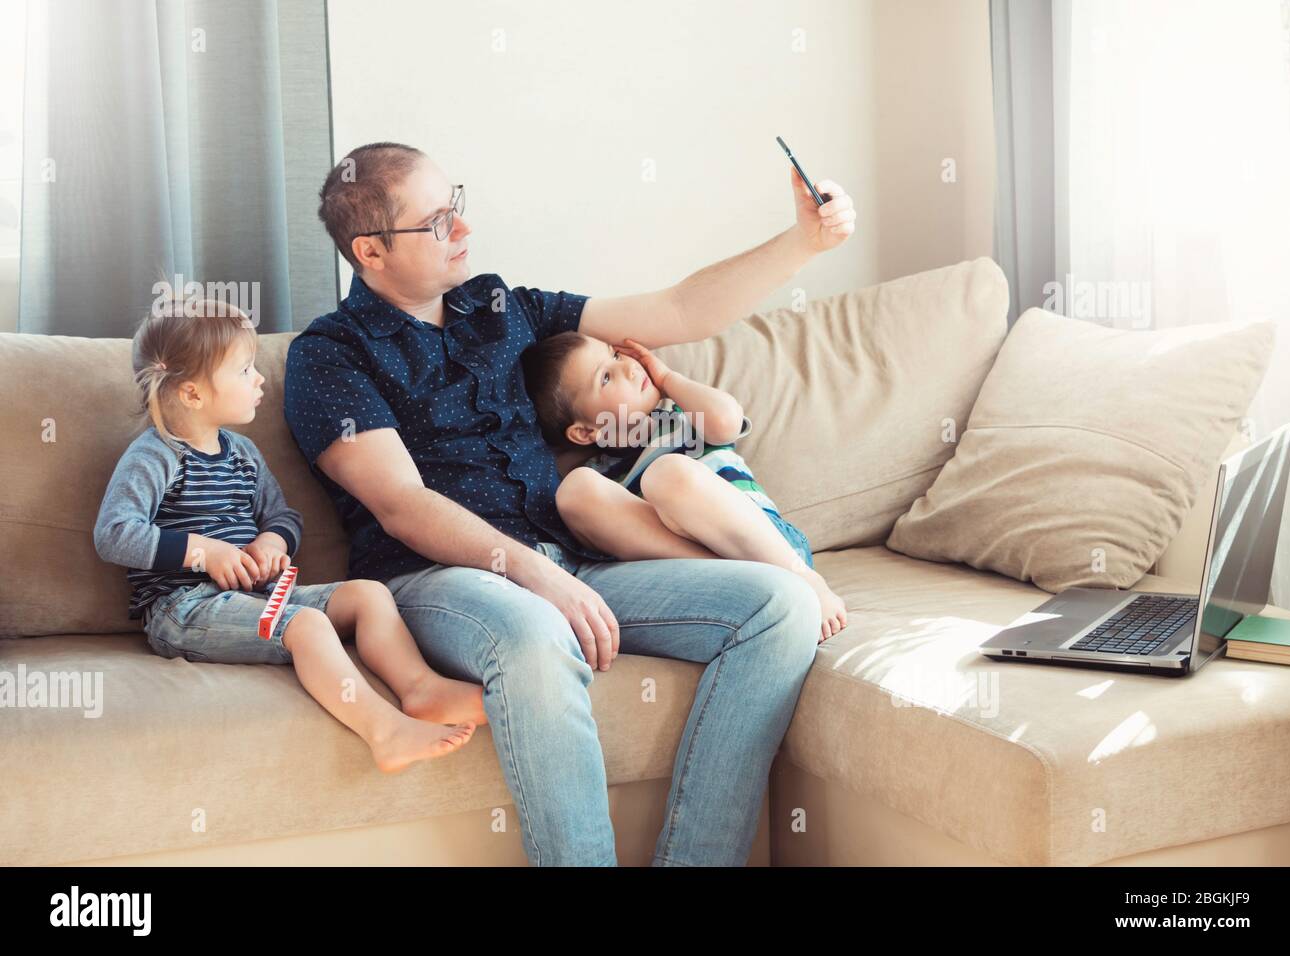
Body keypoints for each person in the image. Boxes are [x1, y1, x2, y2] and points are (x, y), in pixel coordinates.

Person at [284, 141, 858, 865]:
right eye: (435, 223)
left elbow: (676, 308)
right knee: (534, 635)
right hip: (438, 580)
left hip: (575, 561)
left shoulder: (500, 308)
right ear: (369, 250)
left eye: (454, 207)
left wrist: (801, 243)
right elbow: (401, 504)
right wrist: (534, 574)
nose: (461, 230)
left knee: (781, 608)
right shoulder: (328, 356)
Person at [93, 299, 486, 774]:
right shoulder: (155, 455)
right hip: (184, 609)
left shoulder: (242, 453)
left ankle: (422, 689)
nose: (260, 379)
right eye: (244, 370)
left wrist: (270, 544)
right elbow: (114, 533)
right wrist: (205, 552)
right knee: (308, 625)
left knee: (368, 595)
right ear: (193, 393)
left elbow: (283, 516)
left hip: (256, 597)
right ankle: (385, 732)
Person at [521, 330, 848, 640]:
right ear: (583, 432)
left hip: (773, 547)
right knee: (575, 491)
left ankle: (804, 579)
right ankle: (742, 575)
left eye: (615, 354)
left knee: (667, 474)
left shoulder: (682, 415)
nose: (628, 369)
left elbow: (727, 421)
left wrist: (667, 380)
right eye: (605, 377)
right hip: (709, 577)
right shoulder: (602, 478)